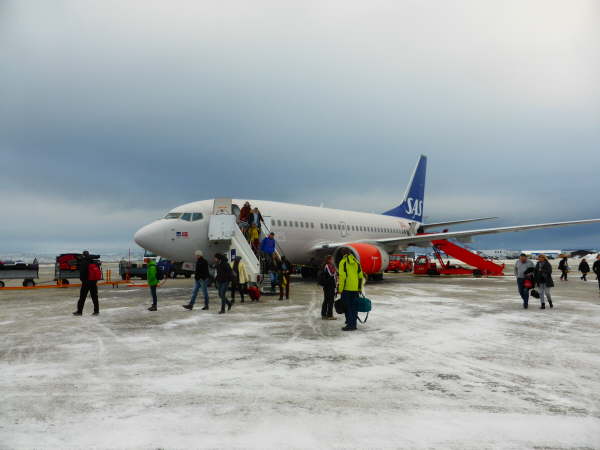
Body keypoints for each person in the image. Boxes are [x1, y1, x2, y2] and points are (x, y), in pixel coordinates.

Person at [338, 249, 364, 331]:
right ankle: (354, 324)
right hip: (355, 289)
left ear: (343, 254)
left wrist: (340, 289)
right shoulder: (356, 262)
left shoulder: (343, 262)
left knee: (348, 307)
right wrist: (359, 288)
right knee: (354, 307)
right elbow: (360, 276)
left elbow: (342, 277)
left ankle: (350, 325)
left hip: (346, 289)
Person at [73, 250, 101, 316]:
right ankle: (96, 311)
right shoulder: (94, 262)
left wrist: (82, 280)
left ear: (83, 255)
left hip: (86, 283)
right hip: (93, 282)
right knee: (95, 297)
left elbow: (82, 273)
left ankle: (79, 312)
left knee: (82, 298)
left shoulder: (83, 262)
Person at [320, 255, 337, 320]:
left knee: (326, 300)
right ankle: (329, 315)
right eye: (332, 259)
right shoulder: (328, 266)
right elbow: (331, 275)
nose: (333, 261)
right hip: (329, 286)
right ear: (329, 260)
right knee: (330, 301)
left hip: (328, 286)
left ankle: (324, 314)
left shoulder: (327, 266)